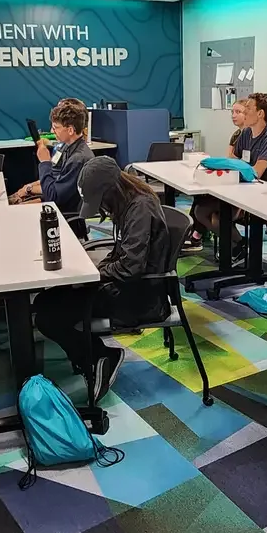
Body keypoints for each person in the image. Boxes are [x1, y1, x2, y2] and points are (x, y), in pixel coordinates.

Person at [34, 157, 171, 400]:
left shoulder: (140, 208)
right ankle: (92, 355)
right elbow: (123, 254)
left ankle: (100, 357)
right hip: (123, 286)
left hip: (138, 298)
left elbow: (131, 268)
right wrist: (99, 270)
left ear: (112, 190)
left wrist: (95, 274)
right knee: (46, 301)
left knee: (49, 315)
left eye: (100, 201)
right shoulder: (128, 202)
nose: (101, 209)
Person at [190, 92, 267, 262]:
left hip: (260, 194)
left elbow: (256, 172)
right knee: (201, 210)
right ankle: (239, 244)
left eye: (248, 108)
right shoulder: (246, 134)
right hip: (240, 189)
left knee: (218, 216)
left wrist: (237, 169)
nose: (244, 112)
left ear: (260, 114)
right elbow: (234, 160)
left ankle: (238, 247)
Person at [10, 98, 93, 217]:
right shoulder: (66, 148)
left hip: (63, 212)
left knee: (14, 213)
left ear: (70, 130)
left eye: (55, 128)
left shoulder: (78, 159)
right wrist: (27, 188)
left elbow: (52, 195)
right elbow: (53, 179)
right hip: (54, 203)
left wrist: (44, 162)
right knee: (11, 203)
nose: (51, 131)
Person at [183, 99, 247, 253]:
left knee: (207, 206)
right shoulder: (237, 135)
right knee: (201, 201)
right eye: (232, 112)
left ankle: (198, 235)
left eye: (238, 112)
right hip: (232, 181)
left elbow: (239, 163)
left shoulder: (254, 136)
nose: (233, 115)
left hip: (243, 190)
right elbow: (230, 159)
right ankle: (200, 234)